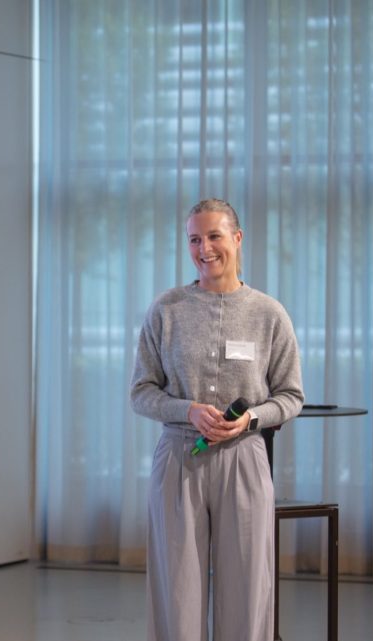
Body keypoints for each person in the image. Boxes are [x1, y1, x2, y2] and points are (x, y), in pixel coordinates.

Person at [130, 199, 304, 641]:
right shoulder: (166, 310)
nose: (204, 248)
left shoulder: (269, 314)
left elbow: (290, 396)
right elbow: (141, 392)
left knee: (247, 590)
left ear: (237, 239)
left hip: (244, 458)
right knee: (176, 591)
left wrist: (250, 420)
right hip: (178, 459)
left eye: (214, 236)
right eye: (194, 239)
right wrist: (185, 409)